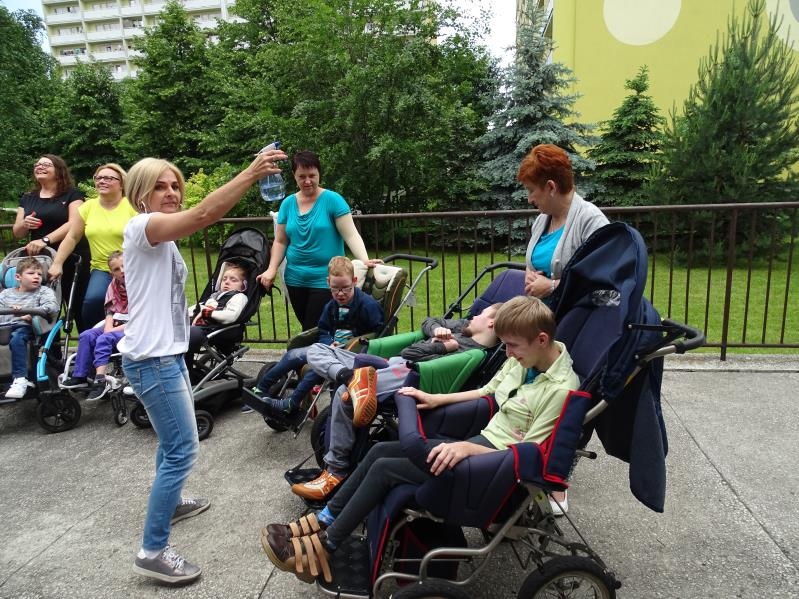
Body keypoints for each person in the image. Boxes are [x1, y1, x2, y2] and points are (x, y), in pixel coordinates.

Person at [261, 296, 580, 583]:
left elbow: (529, 452)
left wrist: (466, 447)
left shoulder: (561, 389)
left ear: (541, 339)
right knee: (381, 451)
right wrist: (435, 398)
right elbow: (487, 392)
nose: (507, 353)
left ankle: (327, 545)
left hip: (490, 466)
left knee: (385, 468)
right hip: (479, 445)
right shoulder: (526, 358)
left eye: (512, 346)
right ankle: (323, 519)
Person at [120, 147, 287, 585]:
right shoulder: (143, 226)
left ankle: (171, 502)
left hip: (167, 353)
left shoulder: (161, 235)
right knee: (182, 448)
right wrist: (250, 174)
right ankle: (152, 551)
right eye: (160, 186)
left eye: (175, 185)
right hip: (152, 360)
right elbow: (204, 214)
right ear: (140, 194)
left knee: (172, 442)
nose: (171, 192)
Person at [291, 303, 503, 501]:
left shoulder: (471, 353)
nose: (473, 316)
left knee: (344, 394)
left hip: (408, 372)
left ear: (491, 323)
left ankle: (336, 472)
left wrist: (440, 348)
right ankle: (349, 377)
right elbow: (429, 321)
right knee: (316, 349)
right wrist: (436, 329)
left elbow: (411, 354)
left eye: (480, 314)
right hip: (391, 363)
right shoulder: (462, 327)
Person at [243, 256, 384, 417]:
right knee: (292, 355)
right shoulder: (331, 306)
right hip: (330, 348)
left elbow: (378, 332)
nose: (340, 294)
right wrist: (328, 342)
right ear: (328, 283)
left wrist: (355, 343)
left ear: (354, 281)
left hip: (351, 351)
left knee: (316, 369)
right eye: (335, 289)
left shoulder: (367, 305)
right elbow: (324, 329)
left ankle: (291, 403)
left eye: (345, 288)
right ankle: (260, 389)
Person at [256, 150, 379, 331]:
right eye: (302, 176)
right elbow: (281, 241)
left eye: (312, 175)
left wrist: (364, 259)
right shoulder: (287, 204)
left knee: (313, 331)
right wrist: (271, 269)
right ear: (294, 176)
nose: (307, 181)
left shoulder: (333, 200)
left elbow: (351, 234)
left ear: (319, 174)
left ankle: (310, 350)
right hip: (295, 280)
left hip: (326, 280)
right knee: (310, 330)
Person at [49, 163, 137, 329]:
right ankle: (96, 339)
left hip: (132, 267)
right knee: (92, 302)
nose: (102, 181)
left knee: (134, 304)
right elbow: (72, 237)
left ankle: (128, 336)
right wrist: (57, 263)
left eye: (109, 178)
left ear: (122, 184)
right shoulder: (88, 207)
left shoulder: (132, 206)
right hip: (101, 268)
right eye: (99, 178)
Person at [519, 144, 608, 303]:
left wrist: (552, 286)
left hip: (574, 316)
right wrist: (529, 274)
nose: (529, 199)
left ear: (551, 187)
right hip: (538, 313)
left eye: (531, 190)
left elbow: (604, 288)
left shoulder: (592, 221)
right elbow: (534, 264)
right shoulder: (541, 221)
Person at [13, 155, 91, 331]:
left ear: (59, 170)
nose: (40, 167)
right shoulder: (28, 197)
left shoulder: (73, 194)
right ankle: (49, 347)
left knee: (77, 304)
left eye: (46, 164)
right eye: (37, 164)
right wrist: (24, 224)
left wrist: (45, 240)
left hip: (72, 257)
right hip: (41, 261)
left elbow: (74, 223)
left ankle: (86, 345)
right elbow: (18, 232)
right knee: (45, 307)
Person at [60, 251, 129, 401]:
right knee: (86, 335)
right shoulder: (114, 286)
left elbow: (140, 319)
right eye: (117, 269)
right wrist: (108, 327)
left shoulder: (140, 285)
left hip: (133, 327)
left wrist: (110, 331)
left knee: (104, 338)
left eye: (124, 266)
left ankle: (100, 380)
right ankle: (80, 376)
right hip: (116, 323)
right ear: (111, 273)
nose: (122, 271)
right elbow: (110, 311)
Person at [0, 258, 59, 399]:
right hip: (4, 327)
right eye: (31, 273)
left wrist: (31, 314)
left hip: (27, 327)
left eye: (39, 274)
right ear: (18, 277)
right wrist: (11, 311)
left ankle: (20, 379)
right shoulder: (5, 294)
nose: (36, 277)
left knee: (17, 339)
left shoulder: (43, 291)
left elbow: (52, 307)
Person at [184, 262, 249, 375]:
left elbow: (231, 315)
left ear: (243, 286)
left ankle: (187, 372)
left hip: (220, 329)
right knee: (177, 330)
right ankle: (181, 368)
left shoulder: (239, 297)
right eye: (224, 279)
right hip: (204, 327)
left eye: (233, 280)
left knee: (190, 334)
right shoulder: (215, 296)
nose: (227, 282)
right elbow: (197, 307)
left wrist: (208, 313)